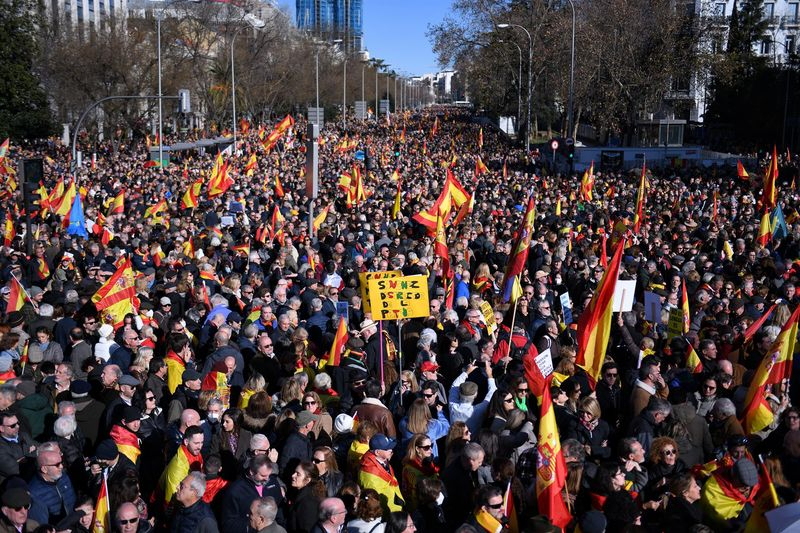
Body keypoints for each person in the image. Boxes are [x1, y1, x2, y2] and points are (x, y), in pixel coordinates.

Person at [222, 454, 284, 533]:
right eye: (263, 475)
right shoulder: (235, 491)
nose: (267, 479)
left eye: (269, 475)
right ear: (251, 472)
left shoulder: (273, 483)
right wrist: (252, 526)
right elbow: (228, 524)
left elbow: (279, 509)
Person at [358, 434, 405, 516]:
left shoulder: (383, 461)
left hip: (395, 507)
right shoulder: (370, 474)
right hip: (388, 512)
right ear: (377, 452)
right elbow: (376, 500)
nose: (391, 450)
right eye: (387, 449)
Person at [400, 434, 439, 512]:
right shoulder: (411, 469)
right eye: (427, 448)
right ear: (417, 449)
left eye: (431, 445)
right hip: (420, 509)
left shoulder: (427, 461)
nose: (431, 449)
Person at [287, 461, 326, 533]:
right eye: (294, 472)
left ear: (307, 480)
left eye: (298, 474)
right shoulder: (300, 493)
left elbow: (306, 529)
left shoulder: (308, 502)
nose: (293, 475)